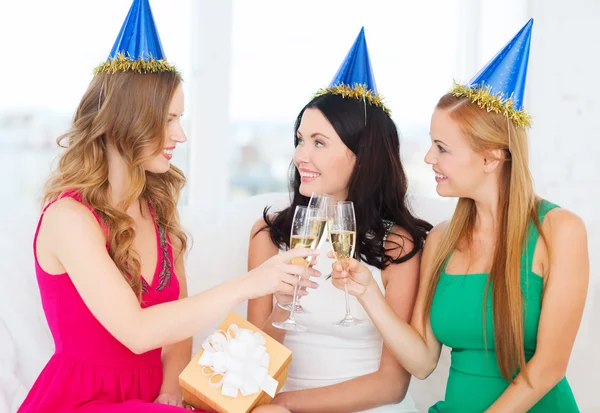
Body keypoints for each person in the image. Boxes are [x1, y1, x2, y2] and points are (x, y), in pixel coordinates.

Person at [18, 1, 318, 411]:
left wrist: (173, 390)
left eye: (181, 118)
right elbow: (138, 332)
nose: (180, 134)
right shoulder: (68, 218)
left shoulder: (156, 211)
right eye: (169, 119)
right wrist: (253, 282)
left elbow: (176, 325)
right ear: (127, 119)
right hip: (81, 401)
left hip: (149, 400)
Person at [330, 19, 589, 413]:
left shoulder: (559, 231)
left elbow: (547, 370)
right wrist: (367, 292)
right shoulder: (442, 239)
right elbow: (422, 360)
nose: (429, 158)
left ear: (491, 157)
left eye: (442, 147)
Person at [248, 28, 431, 413]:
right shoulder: (270, 236)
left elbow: (392, 384)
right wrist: (282, 307)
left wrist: (285, 405)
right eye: (299, 140)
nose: (300, 156)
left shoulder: (397, 244)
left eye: (318, 142)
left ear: (362, 156)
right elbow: (252, 362)